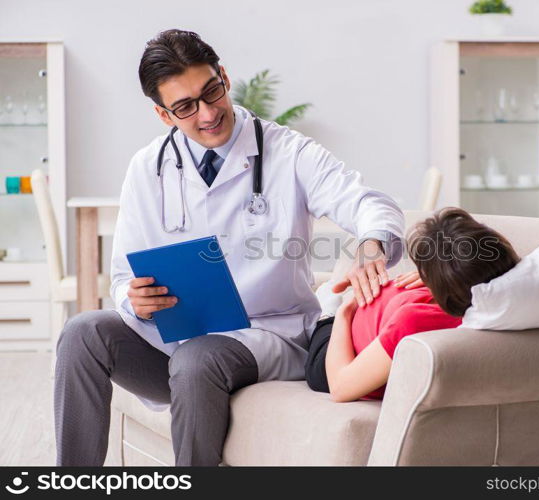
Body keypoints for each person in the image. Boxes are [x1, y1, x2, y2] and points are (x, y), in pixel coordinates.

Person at [53, 29, 404, 466]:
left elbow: (370, 203)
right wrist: (134, 299)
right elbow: (123, 276)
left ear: (223, 75)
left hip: (269, 336)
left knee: (199, 358)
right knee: (81, 333)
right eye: (185, 107)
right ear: (164, 115)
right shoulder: (149, 168)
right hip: (177, 343)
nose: (207, 113)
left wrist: (372, 244)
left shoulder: (287, 151)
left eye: (211, 92)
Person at [305, 207, 520, 402]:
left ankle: (327, 307)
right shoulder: (510, 292)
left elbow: (340, 387)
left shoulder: (415, 321)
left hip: (341, 347)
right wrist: (437, 279)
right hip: (375, 318)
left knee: (326, 316)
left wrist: (344, 313)